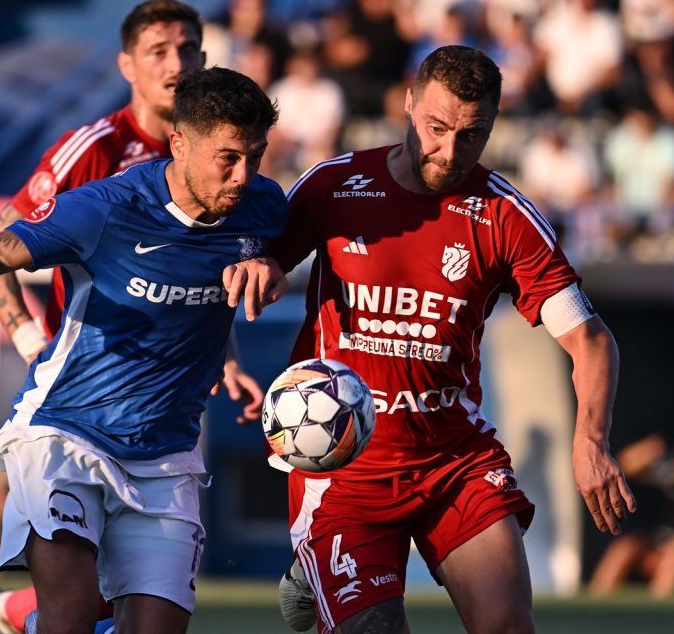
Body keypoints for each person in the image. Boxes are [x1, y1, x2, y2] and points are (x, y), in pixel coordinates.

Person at [0, 65, 284, 634]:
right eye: (229, 158)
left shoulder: (265, 208)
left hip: (166, 457)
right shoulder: (105, 208)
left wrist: (269, 265)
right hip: (65, 435)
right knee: (71, 616)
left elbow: (291, 251)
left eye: (256, 155)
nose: (244, 175)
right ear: (179, 144)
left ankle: (9, 620)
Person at [224, 45, 637, 634]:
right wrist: (261, 268)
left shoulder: (505, 215)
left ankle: (318, 581)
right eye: (437, 128)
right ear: (410, 103)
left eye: (472, 135)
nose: (450, 152)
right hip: (343, 466)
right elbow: (261, 260)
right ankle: (321, 577)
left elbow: (591, 339)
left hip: (454, 462)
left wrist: (590, 439)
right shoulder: (334, 186)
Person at [0, 0, 264, 633]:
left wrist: (230, 357)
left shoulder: (230, 163)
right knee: (79, 592)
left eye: (187, 49)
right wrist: (28, 341)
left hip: (169, 400)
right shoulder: (95, 152)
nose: (176, 63)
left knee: (131, 588)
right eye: (159, 51)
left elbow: (206, 270)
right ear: (127, 64)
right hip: (79, 398)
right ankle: (15, 611)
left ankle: (14, 614)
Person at [589, 430, 674, 597]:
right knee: (625, 547)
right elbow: (625, 466)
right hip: (662, 546)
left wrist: (665, 554)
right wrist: (646, 451)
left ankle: (658, 614)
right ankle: (596, 605)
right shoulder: (673, 473)